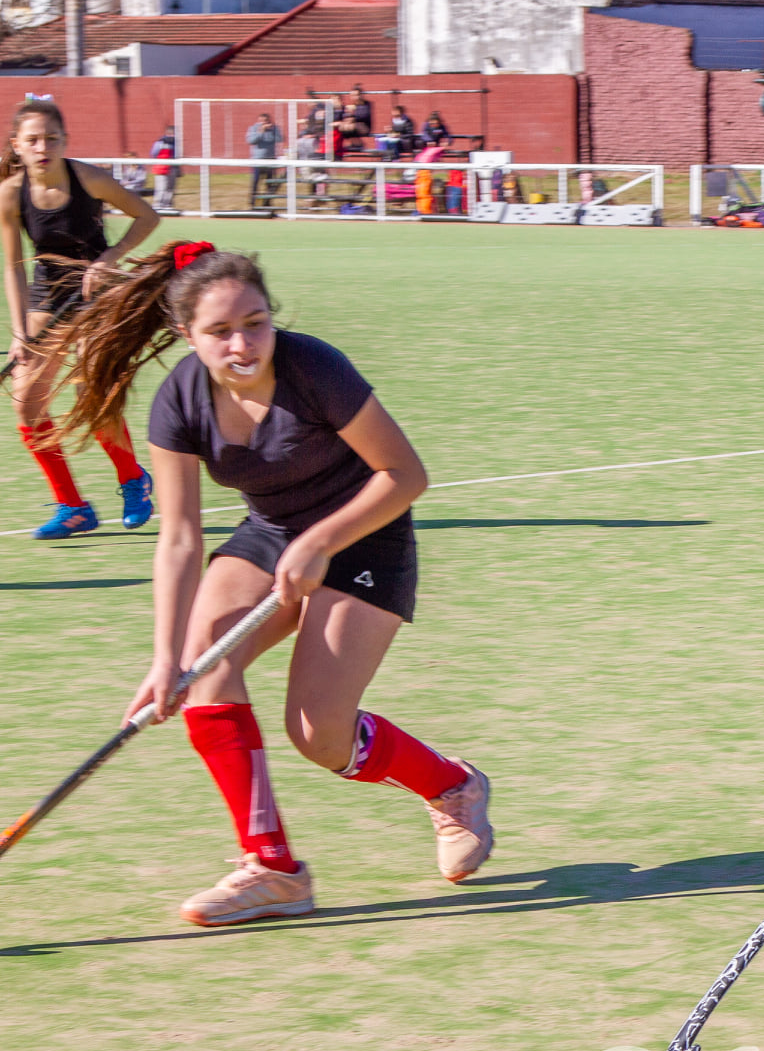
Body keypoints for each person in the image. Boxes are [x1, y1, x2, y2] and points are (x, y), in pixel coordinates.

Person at [35, 241, 495, 924]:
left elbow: (405, 475)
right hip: (271, 535)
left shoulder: (314, 368)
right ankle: (274, 869)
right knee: (202, 670)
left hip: (366, 533)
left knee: (318, 734)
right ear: (188, 336)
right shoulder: (179, 402)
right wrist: (166, 658)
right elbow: (181, 536)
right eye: (220, 331)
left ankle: (451, 787)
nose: (242, 342)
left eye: (255, 322)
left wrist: (321, 542)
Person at [1, 100, 160, 539]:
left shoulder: (87, 178)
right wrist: (19, 332)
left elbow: (147, 216)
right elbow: (13, 265)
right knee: (26, 400)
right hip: (48, 293)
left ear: (65, 142)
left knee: (94, 390)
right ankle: (72, 506)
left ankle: (133, 480)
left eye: (51, 138)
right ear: (18, 145)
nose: (42, 147)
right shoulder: (10, 194)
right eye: (32, 140)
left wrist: (110, 257)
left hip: (96, 292)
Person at [245, 112, 282, 209]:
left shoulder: (274, 129)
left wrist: (273, 130)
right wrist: (261, 131)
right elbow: (251, 141)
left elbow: (279, 139)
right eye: (262, 121)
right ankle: (252, 203)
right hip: (258, 160)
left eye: (266, 121)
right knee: (256, 182)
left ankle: (267, 203)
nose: (264, 123)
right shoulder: (253, 128)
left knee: (270, 182)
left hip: (270, 159)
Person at [150, 125, 179, 212]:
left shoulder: (176, 143)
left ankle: (168, 205)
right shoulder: (160, 143)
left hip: (172, 168)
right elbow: (154, 153)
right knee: (161, 188)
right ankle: (158, 205)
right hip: (161, 168)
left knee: (170, 188)